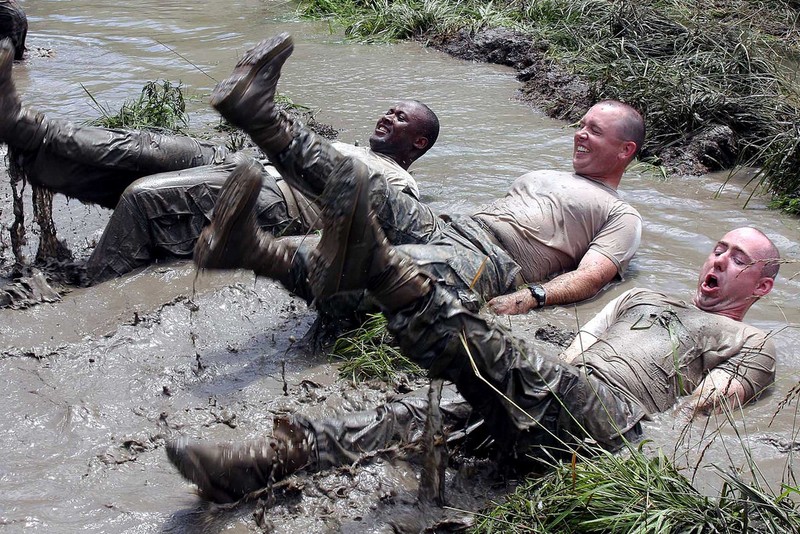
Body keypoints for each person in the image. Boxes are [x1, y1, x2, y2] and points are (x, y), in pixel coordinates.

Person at [166, 158, 779, 504]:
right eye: (718, 249)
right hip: (568, 387)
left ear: (762, 287)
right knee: (414, 416)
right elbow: (579, 346)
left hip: (616, 421)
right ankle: (254, 464)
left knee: (491, 351)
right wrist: (530, 359)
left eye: (738, 259)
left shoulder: (751, 344)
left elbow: (702, 412)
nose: (718, 261)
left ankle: (368, 260)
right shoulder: (643, 295)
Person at [193, 33, 644, 316]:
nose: (579, 135)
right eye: (580, 125)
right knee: (357, 181)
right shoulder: (544, 172)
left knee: (379, 270)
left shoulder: (621, 215)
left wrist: (535, 298)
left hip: (492, 262)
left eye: (594, 131)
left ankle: (249, 250)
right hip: (450, 226)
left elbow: (593, 276)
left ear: (626, 150)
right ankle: (260, 117)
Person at [0, 38, 439, 284]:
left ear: (418, 142)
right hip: (243, 160)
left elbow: (373, 222)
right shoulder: (353, 148)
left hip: (274, 196)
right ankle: (24, 128)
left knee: (141, 198)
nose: (387, 116)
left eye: (400, 118)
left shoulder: (400, 187)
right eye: (388, 109)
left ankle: (93, 286)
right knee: (141, 146)